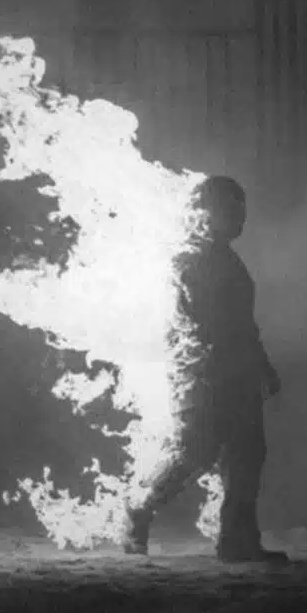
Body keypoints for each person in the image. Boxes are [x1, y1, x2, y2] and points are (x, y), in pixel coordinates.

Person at [122, 175, 288, 563]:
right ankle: (139, 507)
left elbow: (242, 323)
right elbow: (206, 323)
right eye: (230, 209)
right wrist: (228, 365)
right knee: (196, 451)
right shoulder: (193, 258)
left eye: (241, 210)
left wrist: (260, 364)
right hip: (205, 374)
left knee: (246, 455)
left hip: (236, 371)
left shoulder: (225, 257)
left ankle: (237, 541)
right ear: (206, 212)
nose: (239, 218)